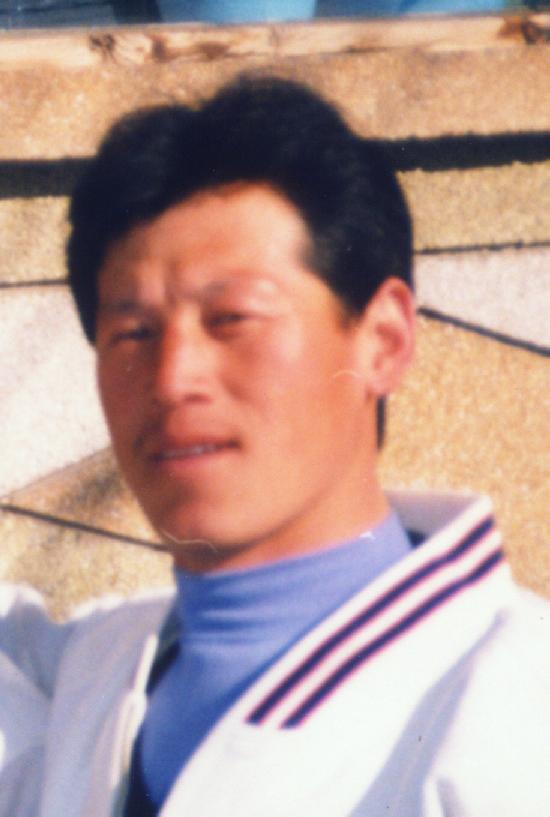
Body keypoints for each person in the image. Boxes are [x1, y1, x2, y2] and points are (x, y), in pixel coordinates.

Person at [1, 75, 548, 817]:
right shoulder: (91, 675)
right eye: (132, 332)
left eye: (231, 318)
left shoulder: (508, 712)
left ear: (383, 340)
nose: (172, 378)